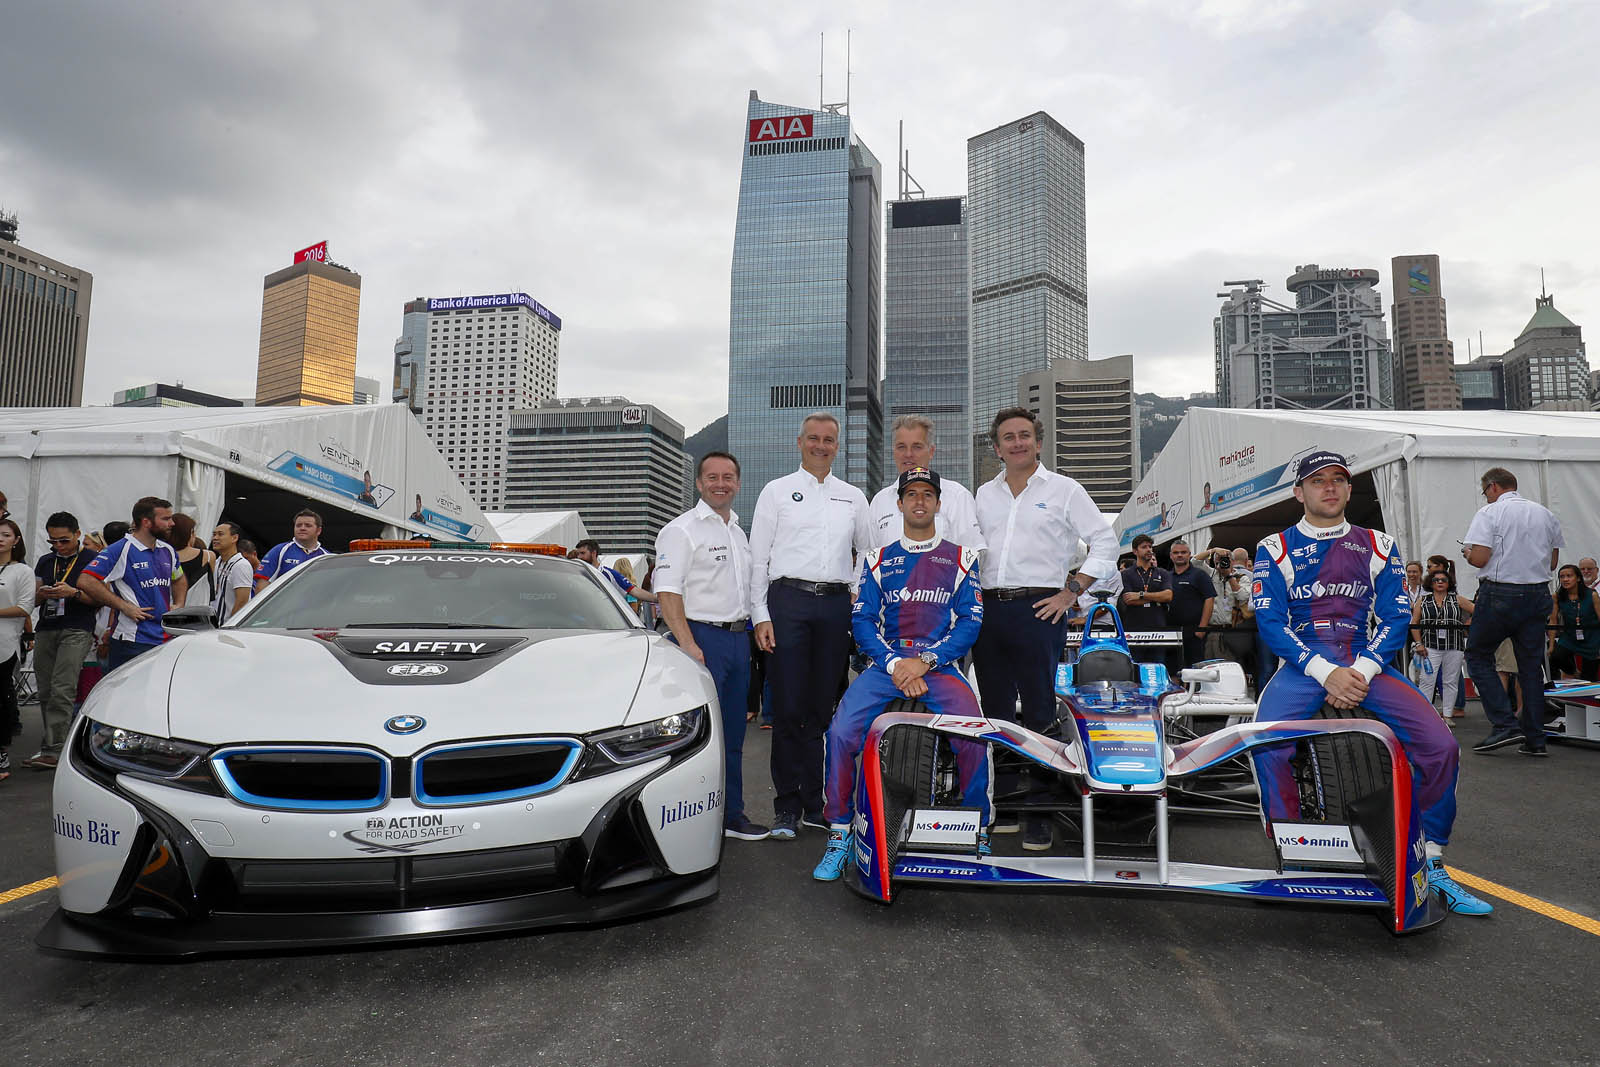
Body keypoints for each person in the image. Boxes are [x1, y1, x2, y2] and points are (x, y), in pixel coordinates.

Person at [1250, 450, 1491, 916]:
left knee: (1442, 747)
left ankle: (1432, 860)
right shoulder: (1274, 547)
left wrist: (1361, 670)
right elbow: (1271, 623)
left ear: (1348, 489)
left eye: (1338, 479)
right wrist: (1326, 672)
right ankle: (1295, 856)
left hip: (1366, 661)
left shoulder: (1379, 543)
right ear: (1299, 492)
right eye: (1317, 480)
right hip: (1303, 664)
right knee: (1265, 747)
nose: (1330, 487)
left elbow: (1397, 615)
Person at [813, 467, 990, 880]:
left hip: (939, 665)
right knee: (839, 733)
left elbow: (971, 621)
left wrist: (925, 661)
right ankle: (839, 831)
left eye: (927, 494)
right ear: (900, 504)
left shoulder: (963, 558)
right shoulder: (877, 559)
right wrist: (896, 664)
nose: (919, 501)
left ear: (938, 504)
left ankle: (977, 827)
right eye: (912, 494)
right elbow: (862, 621)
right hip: (885, 665)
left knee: (975, 734)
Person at [973, 406, 1116, 850]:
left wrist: (1072, 591)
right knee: (995, 711)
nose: (1017, 442)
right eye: (1008, 437)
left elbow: (1106, 541)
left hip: (1041, 608)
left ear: (1038, 442)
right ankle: (1007, 803)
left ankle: (1040, 810)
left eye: (1024, 435)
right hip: (988, 610)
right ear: (997, 448)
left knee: (1038, 711)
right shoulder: (983, 494)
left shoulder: (1065, 490)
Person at [749, 412, 873, 840]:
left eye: (829, 440)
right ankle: (786, 806)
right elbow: (758, 558)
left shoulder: (853, 497)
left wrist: (855, 591)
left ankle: (815, 803)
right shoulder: (776, 491)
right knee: (788, 708)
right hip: (788, 602)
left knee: (821, 710)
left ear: (838, 446)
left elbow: (869, 552)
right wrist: (760, 615)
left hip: (835, 606)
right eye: (814, 438)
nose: (821, 446)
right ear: (799, 442)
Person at [653, 450, 768, 842]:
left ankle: (731, 816)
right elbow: (667, 592)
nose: (721, 484)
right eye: (713, 477)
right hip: (701, 638)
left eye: (728, 477)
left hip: (738, 640)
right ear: (699, 483)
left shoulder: (738, 532)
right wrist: (688, 644)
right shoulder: (681, 530)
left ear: (738, 483)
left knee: (733, 736)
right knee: (695, 736)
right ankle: (687, 821)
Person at [1461, 467, 1564, 757]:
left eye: (1485, 491)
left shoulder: (1489, 513)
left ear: (1493, 487)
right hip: (1537, 593)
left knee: (1477, 656)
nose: (1486, 497)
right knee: (1530, 668)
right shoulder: (1545, 514)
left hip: (1501, 593)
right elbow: (1552, 563)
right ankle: (1535, 738)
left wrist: (1468, 553)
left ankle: (1505, 723)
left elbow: (1480, 558)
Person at [23, 512, 97, 769]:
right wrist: (42, 595)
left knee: (62, 687)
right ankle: (54, 743)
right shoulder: (46, 561)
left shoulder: (92, 559)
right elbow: (31, 600)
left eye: (64, 540)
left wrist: (73, 593)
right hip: (47, 626)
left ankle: (55, 749)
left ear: (77, 534)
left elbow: (102, 599)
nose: (58, 546)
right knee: (45, 689)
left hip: (77, 627)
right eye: (52, 541)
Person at [79, 497, 187, 671]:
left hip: (164, 637)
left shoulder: (167, 550)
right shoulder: (121, 549)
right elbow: (86, 580)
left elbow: (179, 578)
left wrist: (179, 604)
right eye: (166, 519)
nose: (172, 523)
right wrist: (124, 606)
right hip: (132, 639)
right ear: (146, 522)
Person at [867, 414, 984, 551]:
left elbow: (972, 554)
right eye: (901, 447)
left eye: (917, 447)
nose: (908, 454)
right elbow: (870, 555)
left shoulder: (957, 496)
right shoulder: (880, 501)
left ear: (931, 451)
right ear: (894, 451)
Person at [1409, 569, 1474, 725]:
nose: (1439, 582)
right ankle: (1425, 716)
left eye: (1443, 580)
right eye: (1436, 580)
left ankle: (1447, 715)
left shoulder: (1457, 599)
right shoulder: (1423, 601)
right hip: (1430, 645)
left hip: (1454, 645)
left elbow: (1477, 610)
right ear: (1430, 583)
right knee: (1427, 680)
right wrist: (1418, 643)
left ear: (1449, 583)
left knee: (1450, 681)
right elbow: (1414, 623)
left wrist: (1468, 623)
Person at [0, 518, 36, 780]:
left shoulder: (22, 571)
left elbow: (24, 607)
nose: (0, 539)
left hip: (4, 644)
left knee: (1, 699)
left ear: (16, 540)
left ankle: (1, 753)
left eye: (5, 534)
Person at [1119, 534, 1174, 666]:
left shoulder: (1162, 573)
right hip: (1134, 630)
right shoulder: (1126, 574)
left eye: (1150, 547)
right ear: (1135, 551)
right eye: (1144, 547)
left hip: (1158, 628)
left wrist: (1141, 595)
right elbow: (1129, 599)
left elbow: (1168, 596)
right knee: (1135, 668)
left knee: (1157, 667)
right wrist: (1157, 599)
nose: (1149, 550)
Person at [255, 509, 331, 591]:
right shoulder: (280, 550)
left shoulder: (327, 557)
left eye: (308, 525)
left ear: (319, 530)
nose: (302, 528)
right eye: (298, 525)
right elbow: (261, 587)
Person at [1167, 540, 1215, 669]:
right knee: (1172, 669)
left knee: (1195, 670)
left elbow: (1209, 599)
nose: (1180, 555)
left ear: (1189, 554)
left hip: (1194, 632)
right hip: (1171, 631)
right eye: (1176, 553)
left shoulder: (1200, 575)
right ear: (1171, 556)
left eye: (1183, 552)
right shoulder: (1166, 576)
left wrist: (1202, 628)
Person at [1548, 563, 1600, 682]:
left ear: (1578, 578)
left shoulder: (1592, 595)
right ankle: (1574, 673)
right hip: (1569, 637)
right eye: (1562, 577)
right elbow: (1553, 620)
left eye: (1569, 576)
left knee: (1589, 679)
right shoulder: (1557, 596)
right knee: (1556, 657)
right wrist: (1551, 645)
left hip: (1592, 638)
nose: (1565, 579)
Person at [573, 540, 659, 606]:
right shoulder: (575, 573)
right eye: (578, 554)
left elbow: (634, 591)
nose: (579, 557)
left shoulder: (608, 574)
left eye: (582, 553)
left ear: (593, 553)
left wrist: (658, 599)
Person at [166, 513, 215, 609]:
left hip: (170, 610)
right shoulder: (208, 556)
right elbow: (212, 586)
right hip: (199, 612)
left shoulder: (162, 556)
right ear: (189, 533)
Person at [210, 521, 254, 626]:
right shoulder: (217, 562)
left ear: (234, 538)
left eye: (220, 534)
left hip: (227, 627)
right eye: (214, 534)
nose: (215, 538)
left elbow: (242, 601)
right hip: (213, 626)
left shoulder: (241, 565)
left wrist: (230, 626)